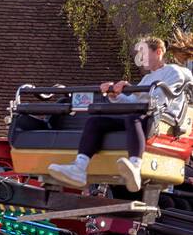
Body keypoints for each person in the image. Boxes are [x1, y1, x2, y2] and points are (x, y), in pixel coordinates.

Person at [47, 34, 193, 191]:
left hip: (162, 121)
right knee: (96, 121)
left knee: (133, 118)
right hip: (141, 116)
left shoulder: (174, 72)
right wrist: (116, 95)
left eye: (143, 53)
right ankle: (79, 168)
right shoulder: (147, 79)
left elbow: (156, 102)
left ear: (158, 52)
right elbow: (133, 103)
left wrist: (133, 91)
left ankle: (135, 166)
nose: (140, 57)